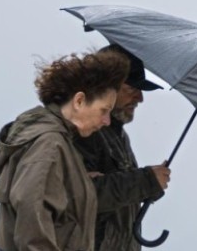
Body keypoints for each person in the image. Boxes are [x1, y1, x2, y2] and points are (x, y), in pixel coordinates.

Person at [0, 50, 130, 251]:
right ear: (79, 101)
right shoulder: (49, 145)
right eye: (104, 110)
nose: (107, 121)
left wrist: (76, 183)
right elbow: (33, 222)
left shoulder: (58, 144)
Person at [74, 45, 171, 251]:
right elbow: (82, 196)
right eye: (133, 89)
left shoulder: (118, 136)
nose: (140, 98)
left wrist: (148, 187)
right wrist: (145, 181)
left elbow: (115, 192)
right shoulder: (84, 130)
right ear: (107, 88)